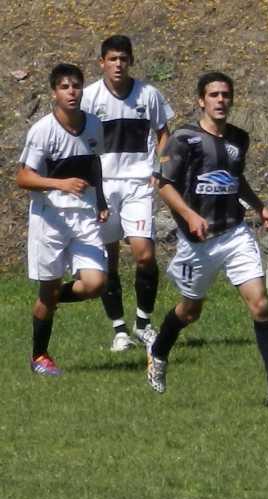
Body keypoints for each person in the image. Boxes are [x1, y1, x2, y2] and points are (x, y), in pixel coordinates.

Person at [145, 71, 268, 407]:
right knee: (190, 311)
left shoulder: (238, 139)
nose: (221, 100)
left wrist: (259, 206)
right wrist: (190, 215)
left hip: (234, 233)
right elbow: (164, 185)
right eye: (214, 95)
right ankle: (158, 351)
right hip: (198, 242)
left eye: (226, 95)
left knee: (260, 304)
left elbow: (236, 179)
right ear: (201, 101)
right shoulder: (184, 139)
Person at [81, 35, 174, 351]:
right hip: (103, 184)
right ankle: (119, 329)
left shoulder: (148, 94)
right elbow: (78, 138)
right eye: (112, 59)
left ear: (131, 61)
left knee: (144, 254)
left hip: (138, 183)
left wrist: (159, 168)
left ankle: (143, 324)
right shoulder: (89, 97)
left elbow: (163, 134)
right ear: (102, 63)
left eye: (123, 58)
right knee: (108, 258)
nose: (118, 64)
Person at [17, 63, 109, 376]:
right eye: (64, 87)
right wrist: (60, 184)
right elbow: (23, 177)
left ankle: (50, 300)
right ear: (54, 93)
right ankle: (40, 357)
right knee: (49, 288)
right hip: (50, 219)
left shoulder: (94, 124)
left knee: (96, 283)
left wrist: (101, 200)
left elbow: (95, 163)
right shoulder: (42, 130)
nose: (72, 92)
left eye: (76, 86)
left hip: (84, 217)